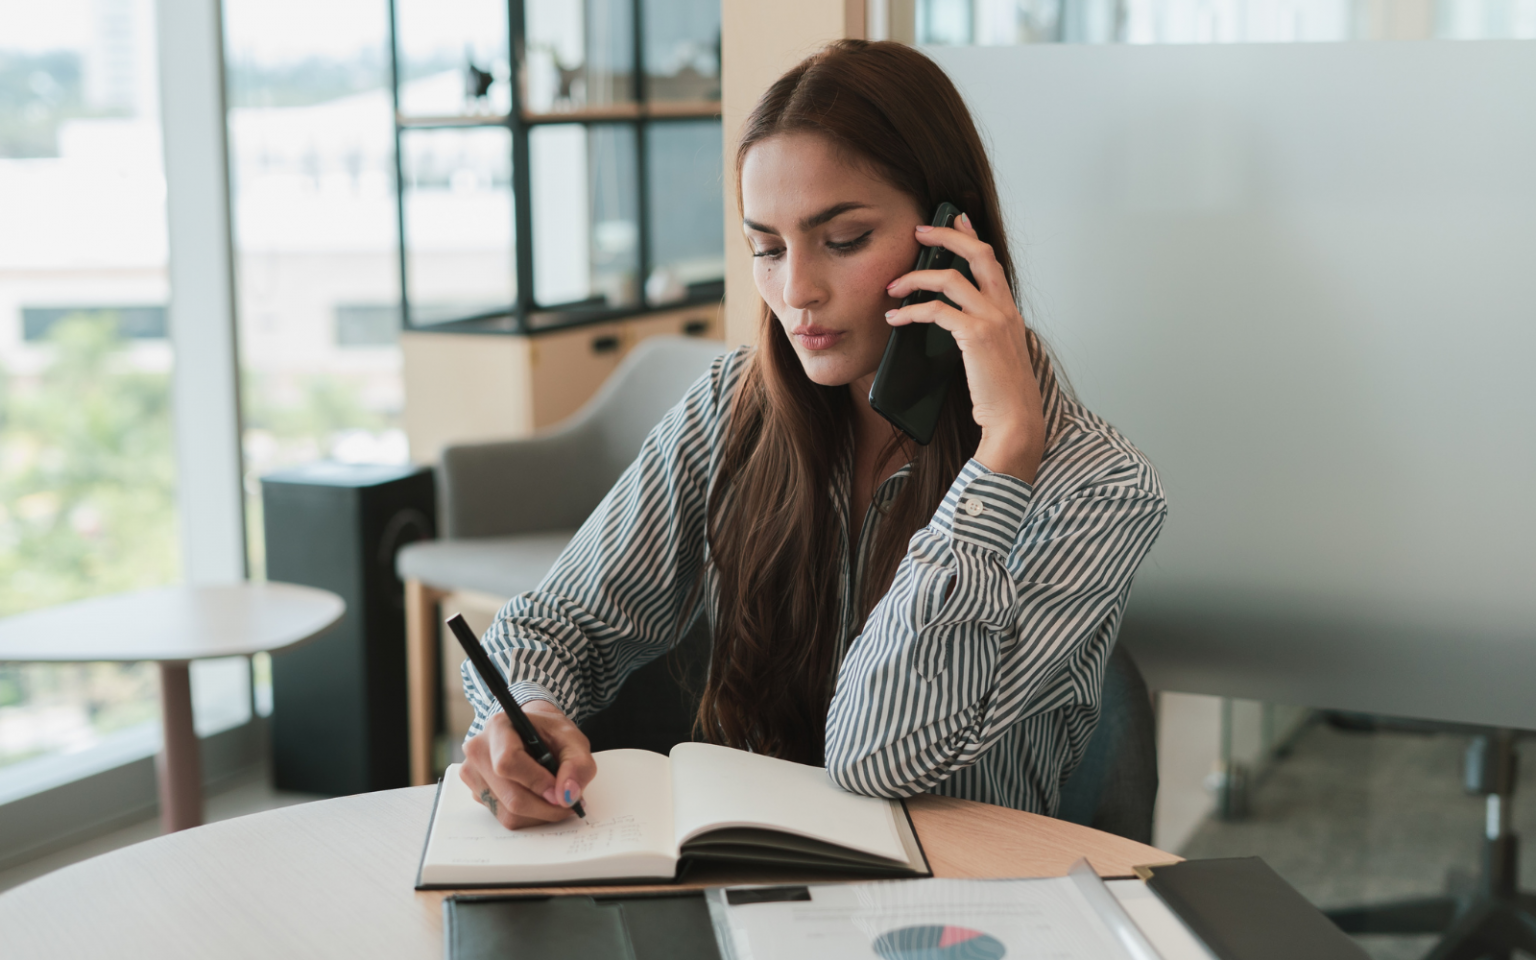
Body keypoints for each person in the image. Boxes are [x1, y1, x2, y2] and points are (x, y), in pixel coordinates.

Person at [458, 40, 1167, 830]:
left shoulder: (1100, 487)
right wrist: (524, 710)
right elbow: (552, 626)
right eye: (767, 247)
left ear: (953, 236)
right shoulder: (731, 409)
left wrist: (1001, 461)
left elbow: (879, 754)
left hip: (965, 916)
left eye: (844, 240)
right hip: (761, 887)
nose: (795, 291)